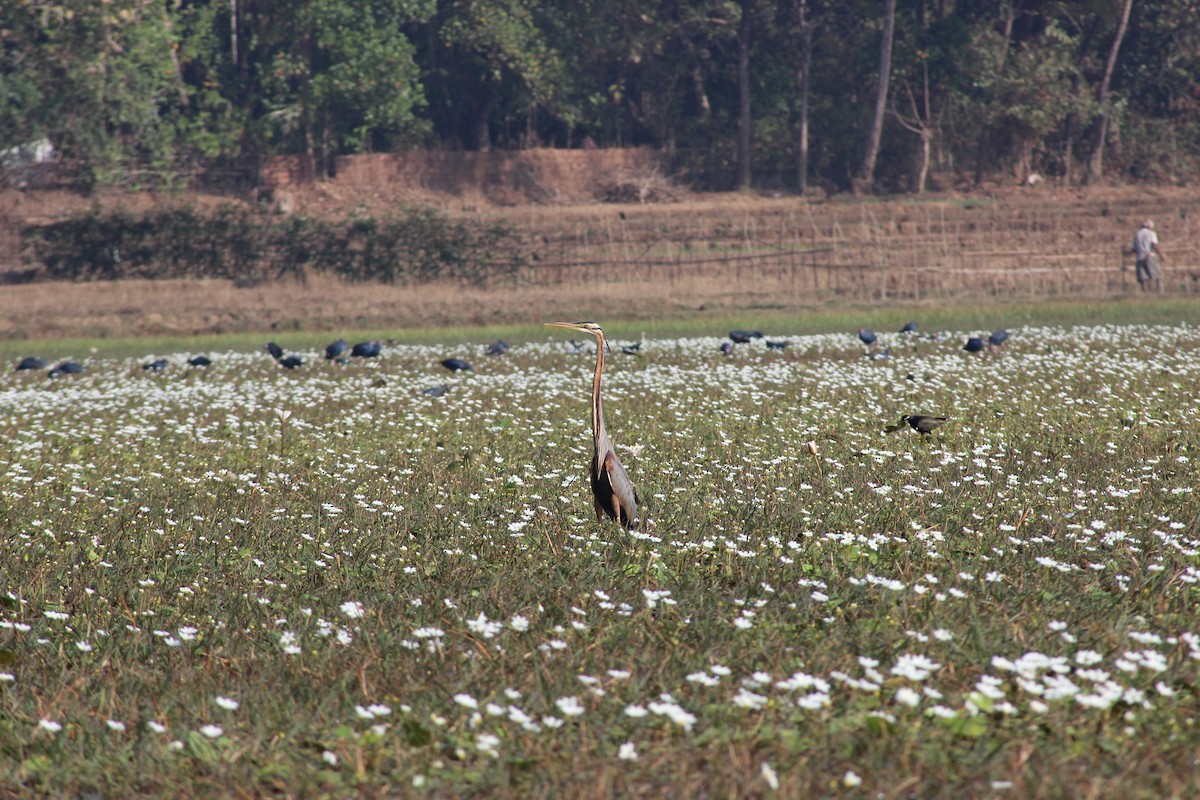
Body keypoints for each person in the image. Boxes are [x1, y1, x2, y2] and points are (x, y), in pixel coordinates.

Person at [1131, 219, 1165, 293]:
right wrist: (1161, 254)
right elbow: (1154, 245)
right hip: (1149, 255)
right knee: (1157, 275)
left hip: (1140, 256)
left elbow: (1134, 249)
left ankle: (1145, 293)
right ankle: (1159, 292)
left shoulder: (1137, 234)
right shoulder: (1151, 233)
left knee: (1143, 277)